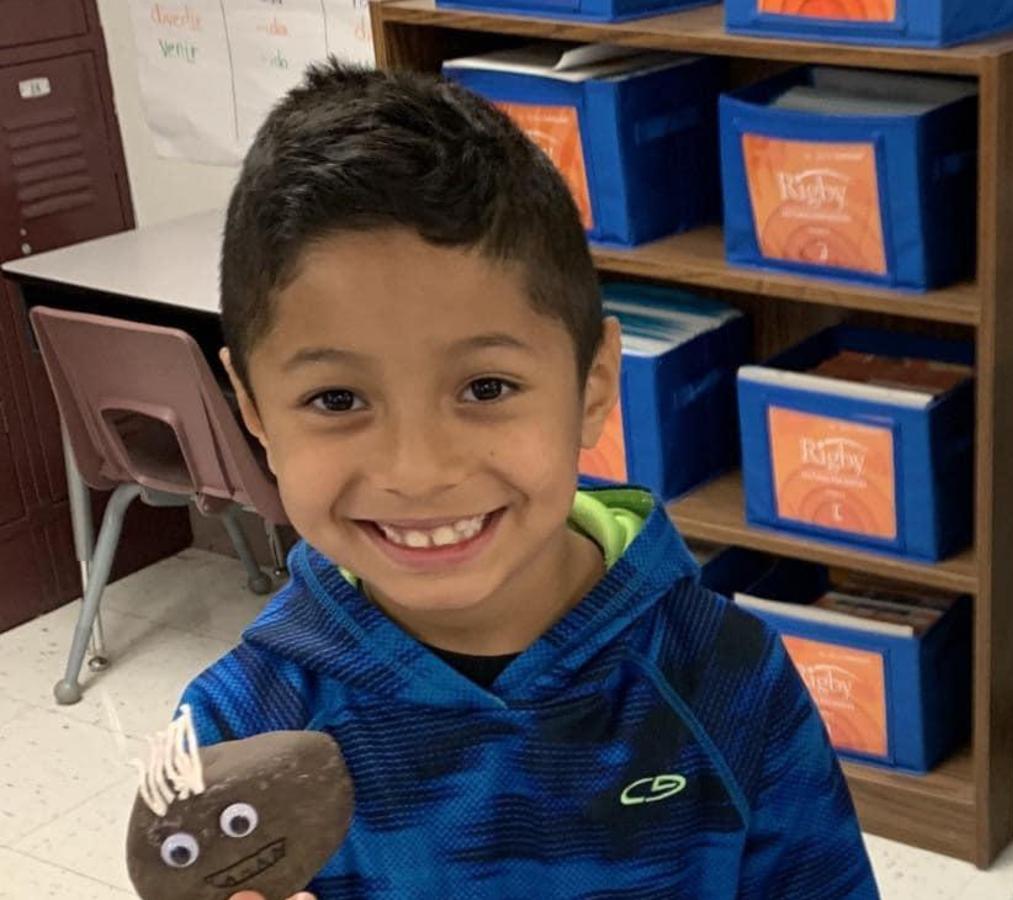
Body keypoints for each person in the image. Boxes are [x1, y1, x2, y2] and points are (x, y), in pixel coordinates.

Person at [169, 62, 875, 899]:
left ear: (593, 386)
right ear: (252, 410)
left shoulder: (726, 677)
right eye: (336, 398)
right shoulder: (239, 730)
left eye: (486, 388)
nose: (418, 471)